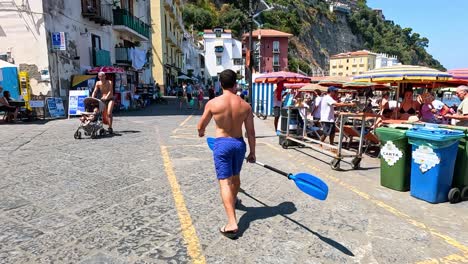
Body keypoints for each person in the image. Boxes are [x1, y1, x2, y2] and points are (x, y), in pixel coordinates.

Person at [197, 69, 256, 240]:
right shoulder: (245, 106)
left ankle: (231, 223)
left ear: (221, 84)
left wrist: (201, 133)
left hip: (222, 144)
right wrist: (252, 152)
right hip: (238, 145)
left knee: (225, 182)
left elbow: (201, 126)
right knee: (235, 177)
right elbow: (250, 133)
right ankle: (234, 199)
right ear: (235, 84)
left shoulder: (213, 103)